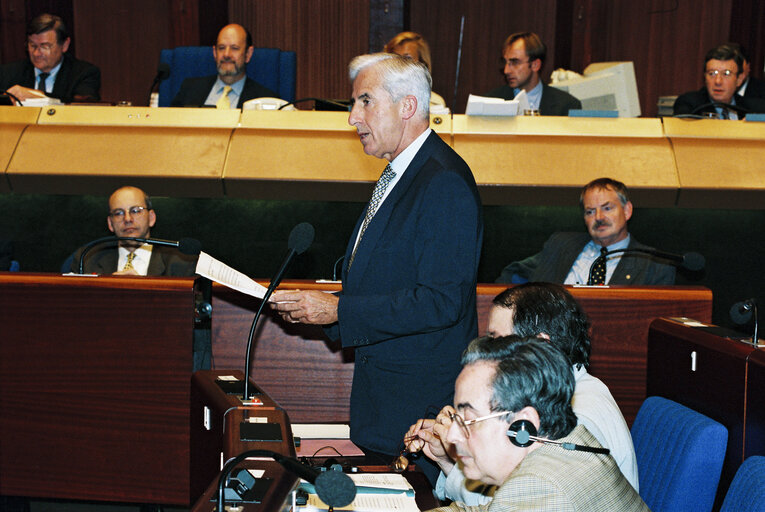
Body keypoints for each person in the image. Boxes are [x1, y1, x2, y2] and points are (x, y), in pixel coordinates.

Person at [270, 53, 483, 481]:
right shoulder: (402, 173)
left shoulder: (442, 181)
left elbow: (442, 301)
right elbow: (388, 278)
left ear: (407, 107)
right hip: (386, 405)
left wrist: (339, 311)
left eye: (365, 102)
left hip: (419, 415)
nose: (352, 118)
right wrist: (327, 309)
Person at [407, 283, 638, 505]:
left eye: (499, 341)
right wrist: (451, 458)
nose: (490, 353)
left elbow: (509, 501)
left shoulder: (575, 417)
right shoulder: (556, 395)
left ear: (541, 346)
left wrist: (462, 449)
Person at [424, 336, 648, 512]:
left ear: (522, 426)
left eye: (468, 421)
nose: (452, 436)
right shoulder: (562, 446)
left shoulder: (542, 485)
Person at [496, 177, 676, 285]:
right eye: (590, 211)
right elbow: (514, 275)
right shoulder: (562, 245)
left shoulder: (654, 264)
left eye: (607, 208)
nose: (598, 217)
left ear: (627, 210)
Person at [70, 186, 197, 276]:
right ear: (110, 223)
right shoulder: (88, 259)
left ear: (151, 218)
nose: (127, 219)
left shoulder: (180, 262)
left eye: (136, 211)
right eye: (118, 213)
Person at [0, 13, 100, 104]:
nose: (36, 53)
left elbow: (82, 107)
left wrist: (37, 96)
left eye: (45, 46)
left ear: (65, 45)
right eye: (33, 46)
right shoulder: (8, 73)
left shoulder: (84, 73)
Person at [170, 23, 277, 108]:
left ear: (248, 54)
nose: (226, 54)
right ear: (214, 53)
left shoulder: (266, 99)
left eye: (234, 48)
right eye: (221, 48)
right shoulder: (189, 89)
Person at [484, 32, 581, 116]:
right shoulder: (491, 102)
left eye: (515, 62)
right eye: (506, 62)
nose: (506, 71)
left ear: (535, 65)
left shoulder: (566, 105)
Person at [673, 43, 765, 118]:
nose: (718, 81)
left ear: (739, 79)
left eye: (726, 74)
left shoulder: (756, 109)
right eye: (712, 73)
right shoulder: (690, 105)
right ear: (705, 76)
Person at [383, 31, 446, 107]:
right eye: (396, 58)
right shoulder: (379, 99)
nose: (401, 64)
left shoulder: (435, 103)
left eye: (407, 58)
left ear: (422, 63)